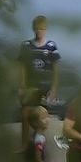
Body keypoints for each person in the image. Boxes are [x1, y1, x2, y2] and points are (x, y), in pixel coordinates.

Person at [17, 15, 60, 145]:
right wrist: (22, 85)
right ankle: (24, 144)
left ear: (45, 29)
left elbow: (56, 69)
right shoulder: (26, 46)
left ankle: (39, 144)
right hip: (31, 86)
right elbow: (22, 66)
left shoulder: (51, 46)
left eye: (42, 29)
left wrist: (54, 88)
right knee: (25, 114)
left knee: (42, 116)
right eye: (37, 28)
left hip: (45, 87)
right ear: (33, 29)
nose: (39, 31)